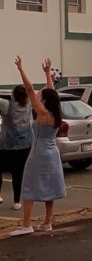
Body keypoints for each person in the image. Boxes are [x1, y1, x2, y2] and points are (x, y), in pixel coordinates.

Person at [10, 57, 66, 237]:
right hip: (53, 153)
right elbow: (51, 92)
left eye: (42, 95)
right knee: (49, 187)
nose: (39, 95)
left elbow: (29, 89)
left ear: (45, 101)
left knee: (28, 186)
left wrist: (21, 70)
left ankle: (26, 224)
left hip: (39, 152)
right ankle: (47, 222)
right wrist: (47, 75)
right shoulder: (55, 113)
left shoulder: (42, 113)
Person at [0, 84, 32, 211]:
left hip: (7, 145)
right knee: (18, 174)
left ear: (13, 95)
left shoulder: (7, 105)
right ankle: (17, 201)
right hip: (25, 145)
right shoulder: (28, 105)